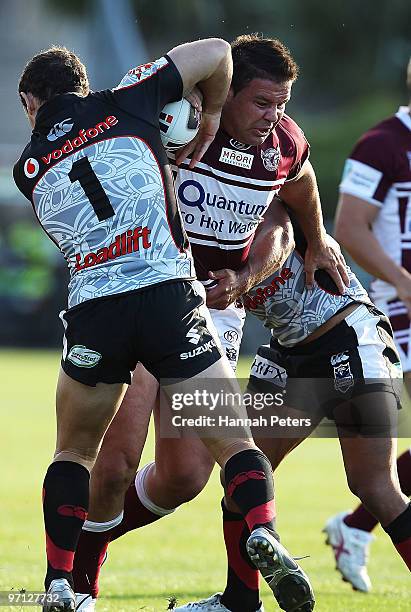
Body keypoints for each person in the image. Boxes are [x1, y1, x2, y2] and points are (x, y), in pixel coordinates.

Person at [13, 40, 303, 612]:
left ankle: (58, 587)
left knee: (74, 455)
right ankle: (262, 526)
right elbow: (218, 49)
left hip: (97, 307)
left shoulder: (26, 168)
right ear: (84, 83)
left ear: (29, 102)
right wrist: (212, 112)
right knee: (236, 443)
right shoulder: (126, 102)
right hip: (170, 296)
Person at [71, 35, 347, 612]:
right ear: (226, 94)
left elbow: (295, 191)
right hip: (144, 294)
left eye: (283, 103)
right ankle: (80, 588)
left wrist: (306, 246)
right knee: (117, 463)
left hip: (215, 315)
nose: (275, 116)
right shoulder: (182, 124)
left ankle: (76, 552)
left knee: (186, 477)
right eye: (262, 102)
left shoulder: (284, 142)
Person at [174, 210, 411, 611]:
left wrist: (247, 276)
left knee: (374, 486)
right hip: (288, 353)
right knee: (242, 472)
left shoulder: (251, 190)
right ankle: (240, 601)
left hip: (347, 335)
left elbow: (281, 228)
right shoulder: (189, 224)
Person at [329, 57, 411, 592]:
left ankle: (355, 526)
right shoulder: (382, 143)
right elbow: (349, 228)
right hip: (399, 309)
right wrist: (403, 282)